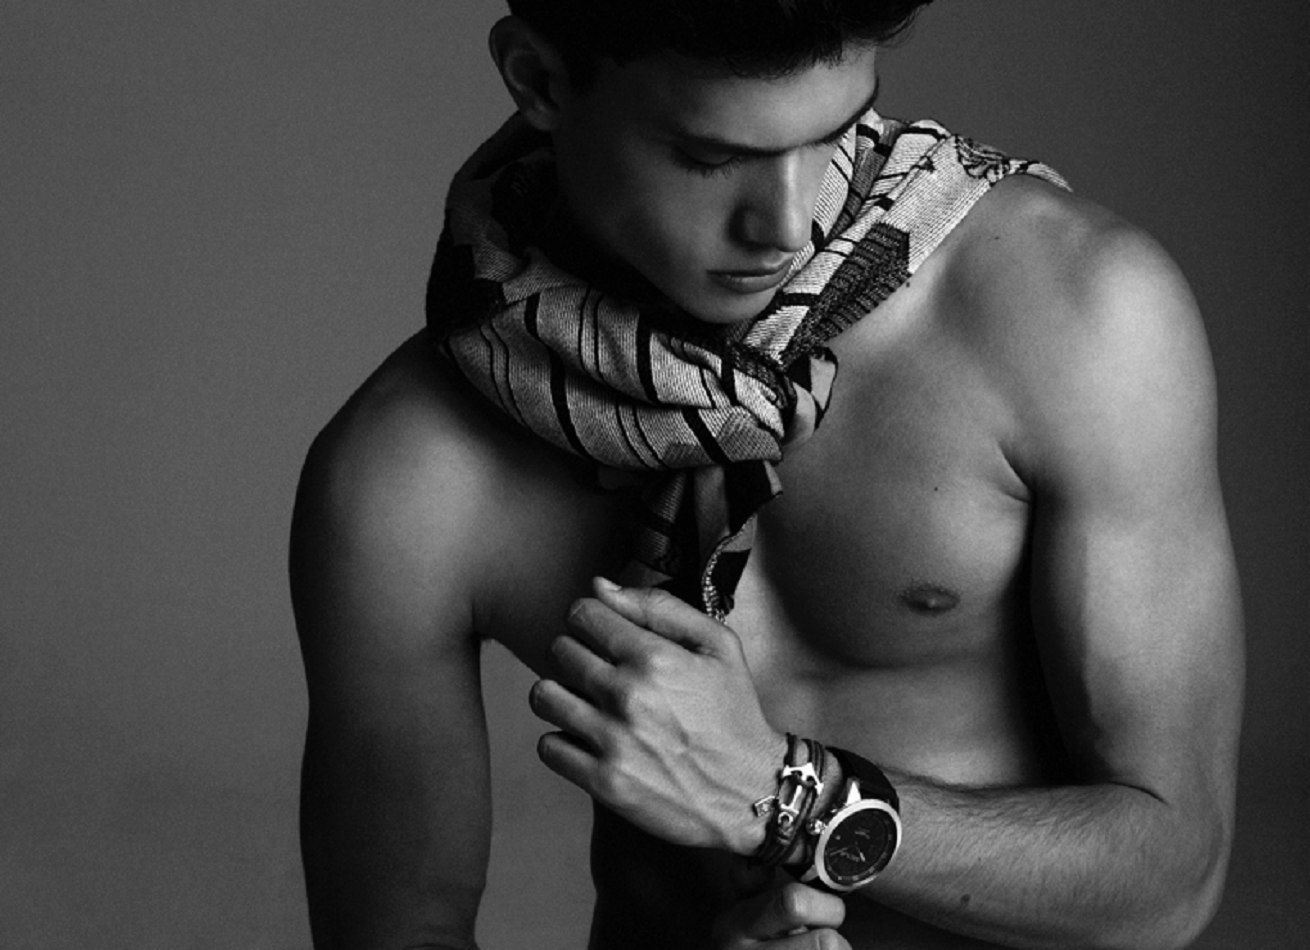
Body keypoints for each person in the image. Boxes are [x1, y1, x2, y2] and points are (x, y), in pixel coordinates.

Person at [289, 2, 1244, 947]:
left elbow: (1172, 877)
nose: (786, 223)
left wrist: (789, 798)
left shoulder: (1070, 311)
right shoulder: (408, 473)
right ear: (539, 81)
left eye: (831, 135)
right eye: (710, 158)